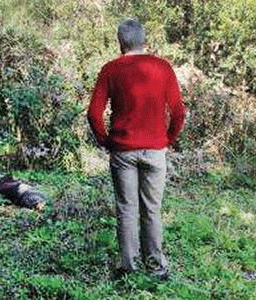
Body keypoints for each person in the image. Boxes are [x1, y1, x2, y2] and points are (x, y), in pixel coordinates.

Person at [87, 19, 185, 280]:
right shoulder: (162, 68)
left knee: (126, 209)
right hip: (155, 151)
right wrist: (168, 140)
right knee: (151, 209)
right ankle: (156, 267)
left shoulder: (110, 69)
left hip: (123, 152)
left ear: (120, 42)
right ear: (144, 41)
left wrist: (104, 139)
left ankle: (128, 268)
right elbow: (178, 112)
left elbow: (94, 113)